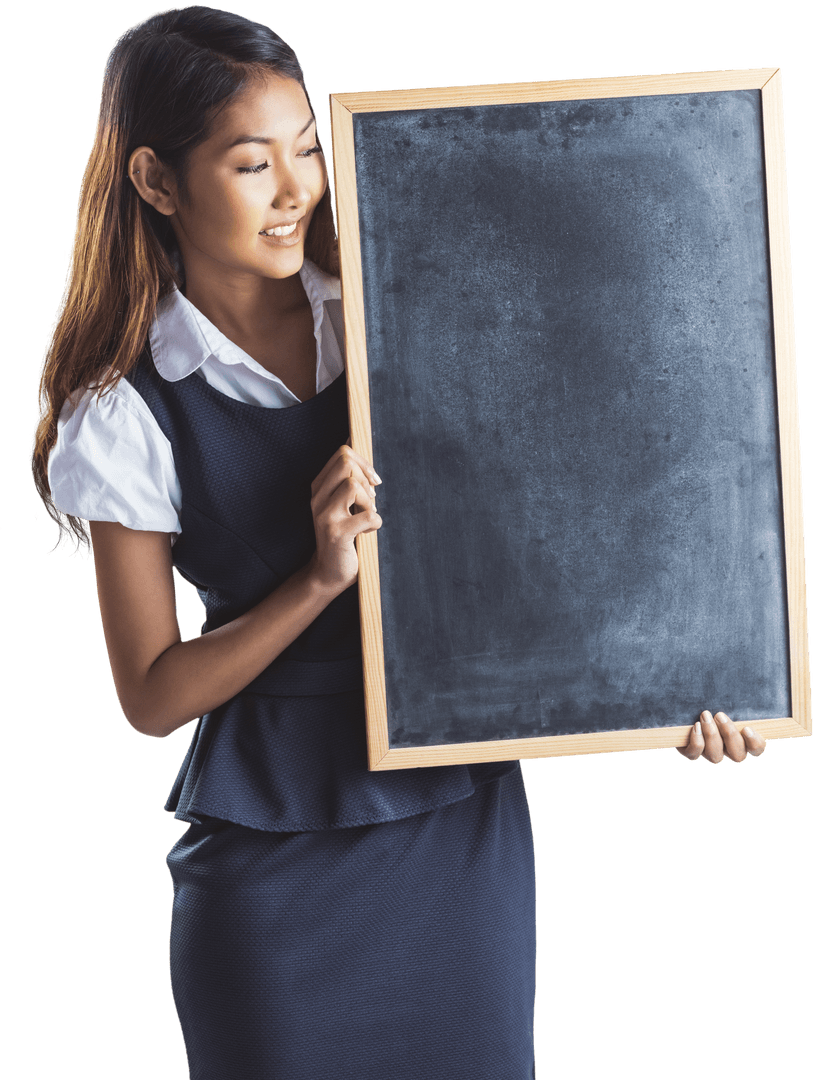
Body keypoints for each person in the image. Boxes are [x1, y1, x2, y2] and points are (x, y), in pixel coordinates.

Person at [30, 6, 767, 1078]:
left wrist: (694, 676)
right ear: (154, 180)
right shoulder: (124, 410)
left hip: (455, 829)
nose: (296, 192)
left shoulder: (421, 303)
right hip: (270, 863)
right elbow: (151, 694)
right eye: (251, 164)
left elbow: (567, 529)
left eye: (307, 150)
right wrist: (319, 578)